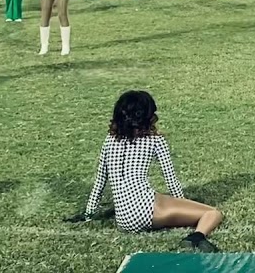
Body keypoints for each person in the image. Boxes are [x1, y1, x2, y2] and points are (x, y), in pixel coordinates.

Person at [80, 91, 223, 252]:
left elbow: (100, 182)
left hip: (122, 218)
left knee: (162, 198)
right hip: (145, 210)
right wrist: (182, 202)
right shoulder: (155, 140)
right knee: (212, 213)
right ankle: (196, 237)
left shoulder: (109, 140)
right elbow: (171, 180)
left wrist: (89, 213)